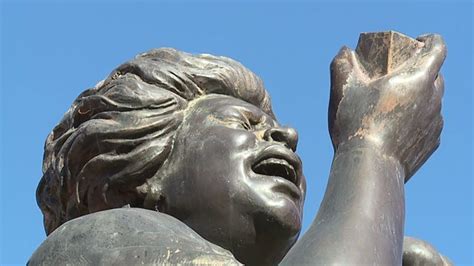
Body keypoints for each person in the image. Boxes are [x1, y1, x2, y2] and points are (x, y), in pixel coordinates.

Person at [30, 33, 450, 265]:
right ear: (125, 188)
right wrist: (374, 148)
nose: (286, 134)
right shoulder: (93, 242)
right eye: (243, 123)